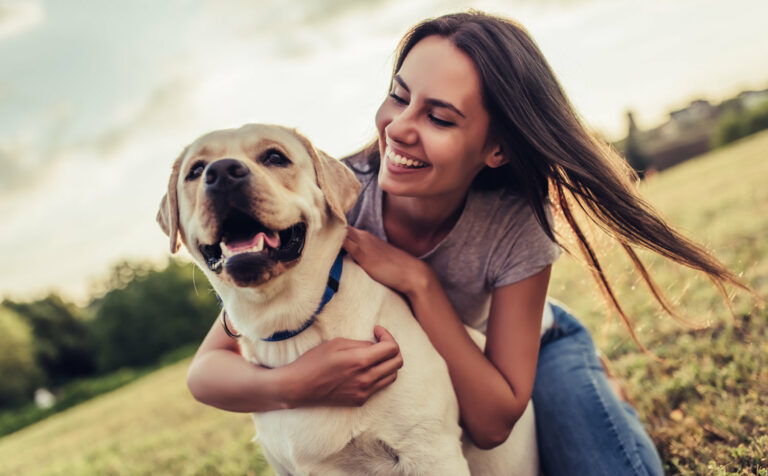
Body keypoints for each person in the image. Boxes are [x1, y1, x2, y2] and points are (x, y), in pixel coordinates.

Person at [187, 11, 747, 475]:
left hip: (531, 353)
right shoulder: (329, 199)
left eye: (439, 117)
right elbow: (208, 367)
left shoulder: (515, 224)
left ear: (495, 148)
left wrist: (418, 281)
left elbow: (491, 421)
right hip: (443, 376)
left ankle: (599, 392)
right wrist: (294, 383)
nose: (400, 128)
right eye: (398, 96)